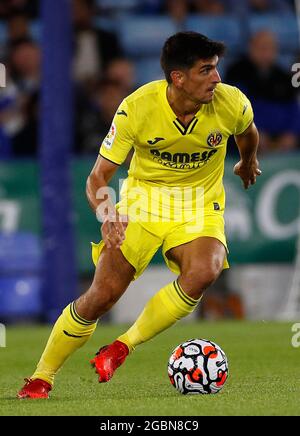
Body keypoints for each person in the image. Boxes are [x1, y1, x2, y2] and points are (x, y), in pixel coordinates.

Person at [18, 31, 261, 399]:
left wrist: (248, 160)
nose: (216, 79)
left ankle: (121, 347)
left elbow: (248, 132)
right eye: (206, 70)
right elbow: (98, 176)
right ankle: (42, 376)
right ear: (178, 78)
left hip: (198, 204)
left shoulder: (231, 102)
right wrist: (106, 211)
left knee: (204, 271)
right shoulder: (137, 107)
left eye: (216, 69)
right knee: (101, 296)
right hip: (143, 204)